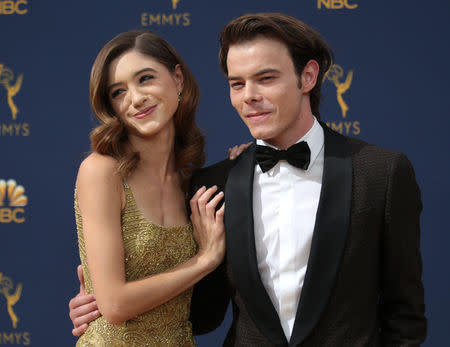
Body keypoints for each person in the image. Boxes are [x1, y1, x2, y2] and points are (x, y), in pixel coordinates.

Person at [70, 13, 427, 346]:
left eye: (266, 78)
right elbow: (202, 314)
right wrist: (99, 304)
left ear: (308, 76)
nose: (250, 96)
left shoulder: (382, 172)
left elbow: (405, 316)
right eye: (237, 83)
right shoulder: (214, 187)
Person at [72, 30, 229, 346]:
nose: (135, 98)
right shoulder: (102, 171)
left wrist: (241, 165)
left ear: (178, 79)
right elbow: (114, 306)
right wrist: (204, 260)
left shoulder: (191, 182)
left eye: (145, 79)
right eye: (118, 92)